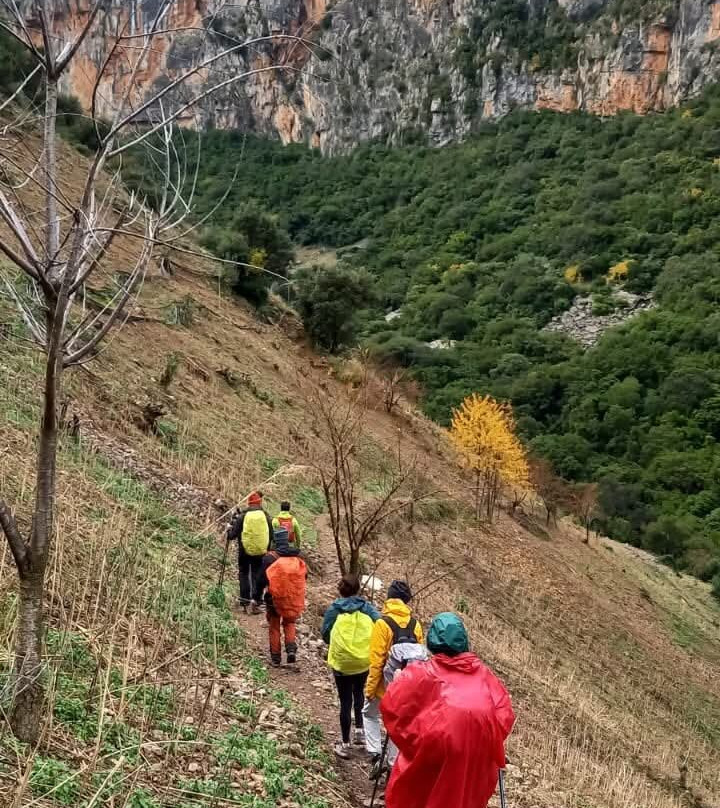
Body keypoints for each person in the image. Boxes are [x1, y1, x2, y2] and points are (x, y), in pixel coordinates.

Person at [380, 612, 515, 808]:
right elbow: (504, 714)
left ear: (432, 641)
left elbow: (393, 707)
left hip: (434, 755)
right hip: (474, 760)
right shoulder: (485, 676)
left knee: (422, 795)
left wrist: (417, 738)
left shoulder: (422, 673)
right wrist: (482, 738)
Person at [363, 580, 423, 779]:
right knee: (396, 726)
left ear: (389, 598)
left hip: (385, 687)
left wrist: (370, 690)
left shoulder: (382, 623)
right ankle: (391, 763)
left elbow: (376, 661)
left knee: (369, 714)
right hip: (409, 689)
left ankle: (375, 753)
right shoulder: (416, 625)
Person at [321, 574, 380, 759]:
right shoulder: (366, 608)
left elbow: (325, 633)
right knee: (359, 693)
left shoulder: (334, 609)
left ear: (340, 589)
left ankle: (345, 743)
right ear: (357, 590)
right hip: (363, 660)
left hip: (342, 662)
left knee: (345, 700)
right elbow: (380, 624)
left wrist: (337, 645)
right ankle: (360, 732)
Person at [255, 527, 307, 666]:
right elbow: (304, 576)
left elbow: (261, 580)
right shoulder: (298, 557)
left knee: (274, 625)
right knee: (289, 622)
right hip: (293, 597)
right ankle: (291, 649)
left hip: (274, 598)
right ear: (288, 539)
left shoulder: (269, 558)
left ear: (275, 541)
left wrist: (257, 597)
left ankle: (276, 658)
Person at [227, 491, 274, 613]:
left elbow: (232, 535)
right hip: (260, 551)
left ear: (249, 503)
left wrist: (229, 530)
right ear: (259, 503)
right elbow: (272, 534)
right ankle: (255, 601)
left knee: (243, 573)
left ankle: (244, 600)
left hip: (244, 551)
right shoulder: (265, 516)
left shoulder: (243, 516)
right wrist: (267, 548)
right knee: (256, 574)